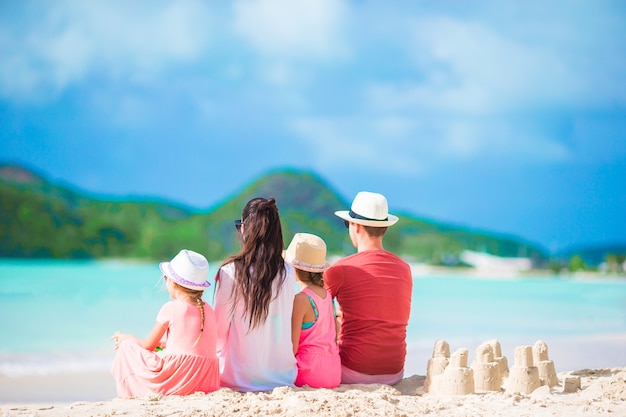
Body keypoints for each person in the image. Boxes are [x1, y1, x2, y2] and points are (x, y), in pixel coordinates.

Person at [324, 191, 413, 385]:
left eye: (347, 224)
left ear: (355, 227)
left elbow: (312, 307)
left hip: (353, 371)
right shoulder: (404, 269)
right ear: (384, 228)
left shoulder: (340, 268)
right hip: (394, 372)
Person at [214, 197, 297, 392]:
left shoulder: (231, 272)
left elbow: (218, 332)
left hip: (238, 378)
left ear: (245, 228)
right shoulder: (288, 272)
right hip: (283, 377)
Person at [110, 249, 219, 397]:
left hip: (179, 379)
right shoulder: (209, 310)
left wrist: (127, 337)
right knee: (158, 350)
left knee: (126, 347)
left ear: (173, 283)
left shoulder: (170, 308)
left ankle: (129, 392)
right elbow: (196, 346)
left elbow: (147, 345)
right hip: (206, 380)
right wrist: (165, 344)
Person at [285, 232, 341, 388]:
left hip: (310, 372)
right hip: (333, 371)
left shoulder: (301, 299)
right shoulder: (328, 296)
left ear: (293, 267)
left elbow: (293, 347)